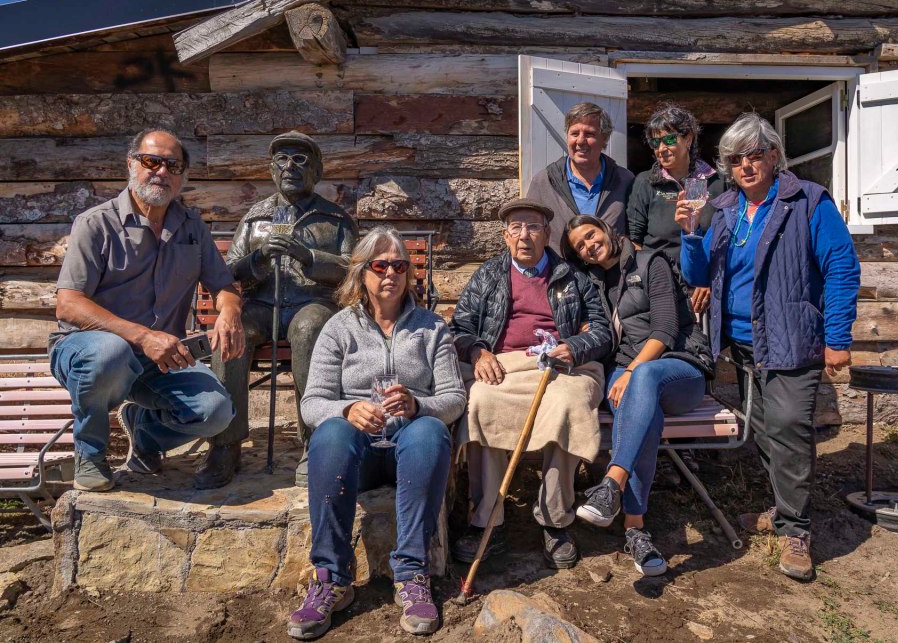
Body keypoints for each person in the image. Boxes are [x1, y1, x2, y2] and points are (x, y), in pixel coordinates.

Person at [676, 112, 860, 581]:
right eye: (736, 159)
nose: (746, 165)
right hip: (741, 342)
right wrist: (691, 234)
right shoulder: (724, 209)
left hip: (791, 337)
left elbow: (841, 268)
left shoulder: (808, 201)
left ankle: (796, 529)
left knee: (789, 427)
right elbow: (699, 277)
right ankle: (782, 511)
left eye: (755, 155)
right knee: (761, 426)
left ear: (774, 155)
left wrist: (837, 338)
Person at [288, 227, 466, 639]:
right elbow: (312, 402)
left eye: (399, 265)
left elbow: (454, 397)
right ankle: (331, 578)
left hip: (412, 449)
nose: (391, 273)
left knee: (430, 432)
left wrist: (419, 405)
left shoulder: (430, 327)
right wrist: (347, 409)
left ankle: (412, 573)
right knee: (329, 434)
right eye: (380, 265)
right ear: (362, 273)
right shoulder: (338, 328)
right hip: (359, 455)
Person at [49, 129, 244, 492]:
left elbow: (224, 286)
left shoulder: (191, 227)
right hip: (87, 351)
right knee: (111, 350)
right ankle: (90, 453)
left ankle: (145, 434)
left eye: (173, 165)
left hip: (159, 361)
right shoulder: (96, 224)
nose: (161, 172)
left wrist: (230, 311)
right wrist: (142, 335)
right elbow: (68, 303)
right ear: (131, 164)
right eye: (151, 161)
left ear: (183, 175)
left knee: (215, 412)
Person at [449, 198, 611, 570]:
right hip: (505, 365)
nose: (525, 236)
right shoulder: (488, 275)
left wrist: (575, 345)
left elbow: (602, 331)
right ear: (505, 236)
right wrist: (477, 353)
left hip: (562, 366)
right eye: (517, 228)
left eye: (533, 227)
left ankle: (556, 520)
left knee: (570, 406)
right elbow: (459, 328)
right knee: (480, 404)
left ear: (546, 234)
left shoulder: (572, 276)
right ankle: (486, 519)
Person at [562, 214, 714, 576]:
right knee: (646, 413)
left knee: (643, 378)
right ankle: (635, 529)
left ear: (605, 230)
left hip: (679, 367)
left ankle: (611, 482)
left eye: (591, 235)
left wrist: (631, 371)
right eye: (581, 247)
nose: (589, 246)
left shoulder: (651, 262)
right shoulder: (594, 282)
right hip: (628, 376)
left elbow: (664, 329)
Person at [206, 131, 357, 489]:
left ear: (317, 171)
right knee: (231, 331)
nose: (290, 166)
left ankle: (315, 440)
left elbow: (354, 270)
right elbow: (227, 272)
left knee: (309, 331)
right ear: (271, 170)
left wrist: (310, 257)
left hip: (312, 304)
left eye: (300, 160)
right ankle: (225, 445)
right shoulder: (256, 217)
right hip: (262, 304)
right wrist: (257, 258)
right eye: (282, 159)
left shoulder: (334, 219)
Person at [627, 104, 724, 314]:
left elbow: (727, 240)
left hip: (708, 291)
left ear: (688, 138)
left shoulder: (718, 183)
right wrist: (653, 283)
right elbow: (634, 241)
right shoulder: (645, 183)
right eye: (655, 142)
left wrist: (707, 279)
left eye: (669, 139)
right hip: (660, 289)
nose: (661, 148)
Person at [525, 101, 634, 253]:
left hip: (612, 274)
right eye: (574, 133)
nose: (580, 141)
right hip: (561, 273)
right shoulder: (545, 181)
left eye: (589, 134)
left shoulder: (624, 180)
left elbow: (636, 234)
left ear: (604, 140)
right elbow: (530, 231)